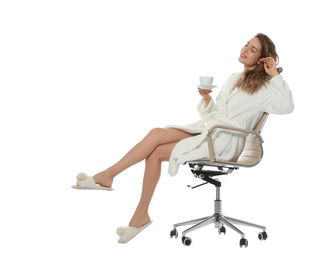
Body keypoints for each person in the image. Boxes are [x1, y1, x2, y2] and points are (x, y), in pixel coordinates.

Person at [73, 33, 294, 243]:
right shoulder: (234, 78)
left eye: (253, 49)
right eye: (246, 43)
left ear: (261, 60)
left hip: (225, 143)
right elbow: (214, 115)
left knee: (157, 151)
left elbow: (287, 107)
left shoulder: (265, 88)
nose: (245, 49)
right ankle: (133, 207)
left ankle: (114, 185)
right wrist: (207, 98)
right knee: (156, 135)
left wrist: (275, 75)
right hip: (212, 131)